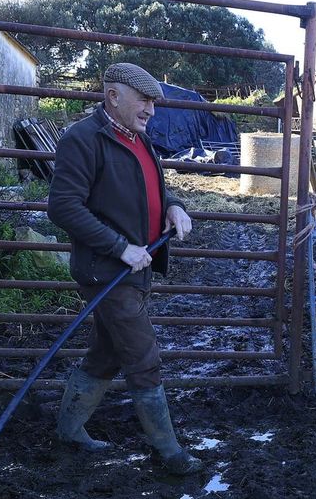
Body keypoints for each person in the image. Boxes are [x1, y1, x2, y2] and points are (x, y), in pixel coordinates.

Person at [47, 62, 202, 475]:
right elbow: (63, 207)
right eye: (144, 100)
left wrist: (174, 206)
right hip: (106, 271)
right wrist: (120, 247)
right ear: (113, 96)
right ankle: (168, 452)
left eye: (153, 101)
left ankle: (69, 428)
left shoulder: (139, 140)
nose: (152, 109)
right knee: (142, 353)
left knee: (107, 351)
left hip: (135, 268)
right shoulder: (83, 139)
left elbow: (156, 187)